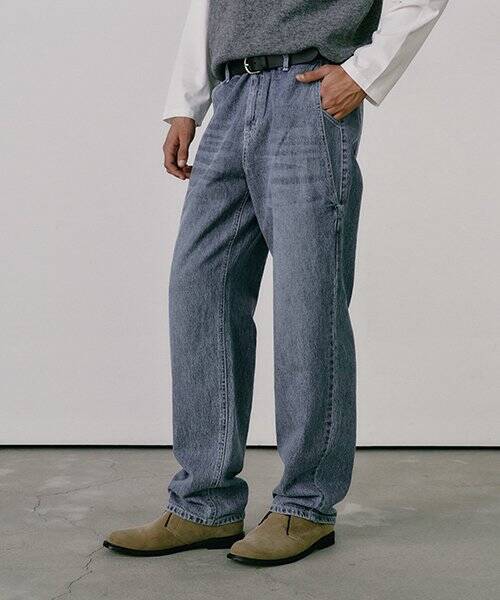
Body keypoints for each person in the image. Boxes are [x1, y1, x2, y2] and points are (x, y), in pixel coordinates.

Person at [104, 0, 448, 566]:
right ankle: (204, 504)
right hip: (230, 95)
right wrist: (185, 103)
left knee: (308, 304)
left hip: (305, 91)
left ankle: (305, 506)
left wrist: (364, 73)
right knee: (199, 292)